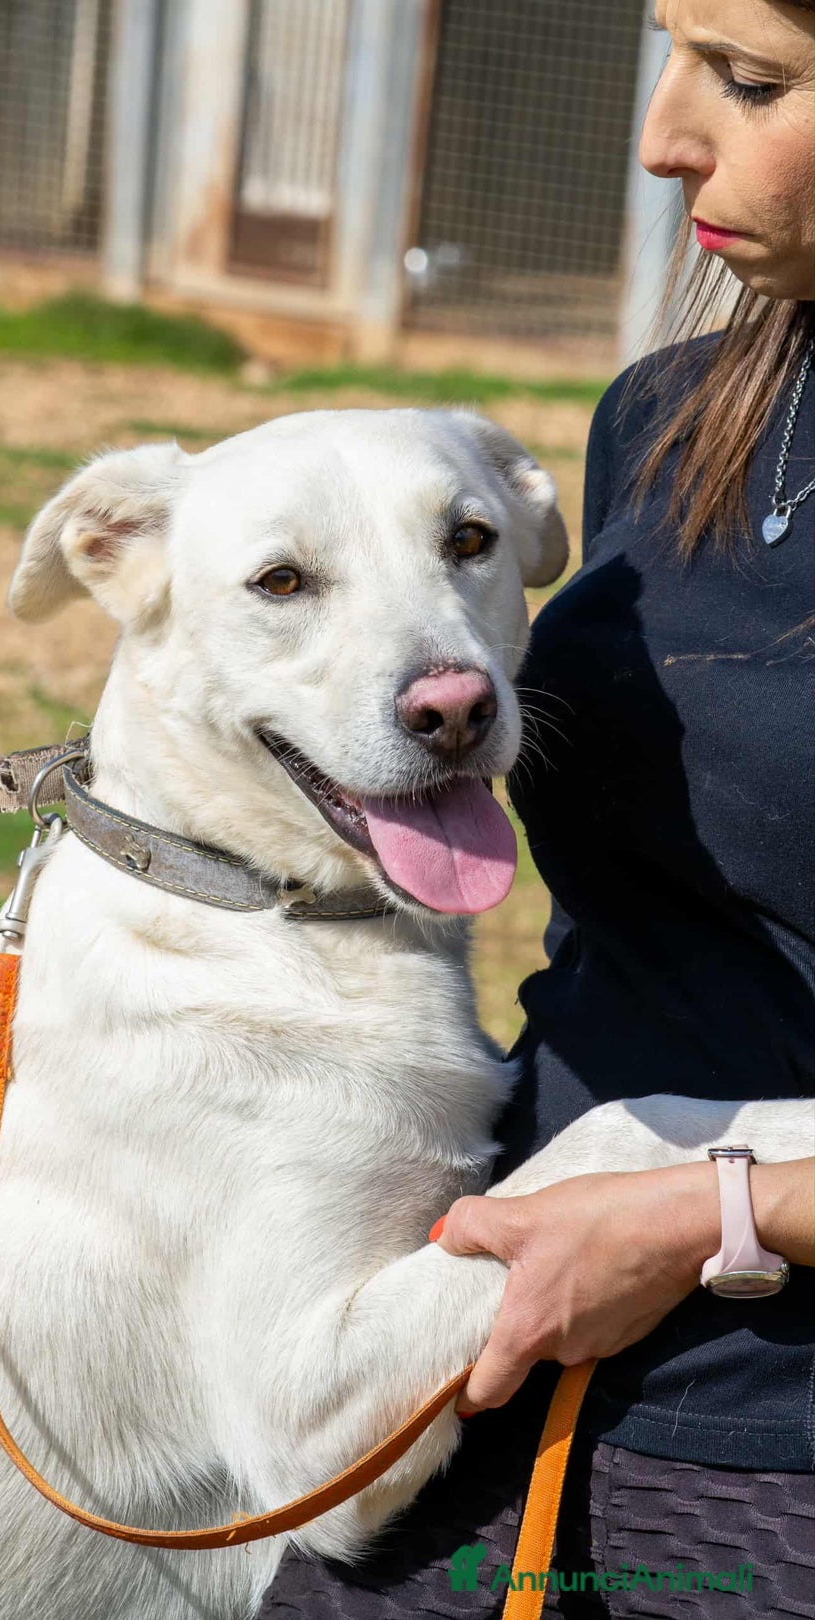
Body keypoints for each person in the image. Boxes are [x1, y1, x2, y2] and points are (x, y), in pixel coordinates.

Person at [258, 1, 815, 1614]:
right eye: (672, 48)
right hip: (477, 1340)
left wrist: (712, 1214)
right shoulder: (668, 413)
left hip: (772, 1437)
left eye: (753, 80)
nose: (662, 138)